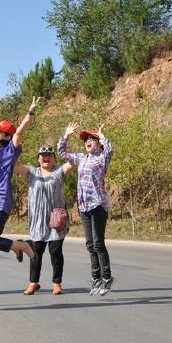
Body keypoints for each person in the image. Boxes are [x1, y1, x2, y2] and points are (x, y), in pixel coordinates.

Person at [0, 96, 40, 264]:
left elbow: (19, 131)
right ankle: (16, 246)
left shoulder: (10, 150)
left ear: (7, 136)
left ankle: (24, 246)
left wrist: (30, 112)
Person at [57, 122, 115, 296]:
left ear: (98, 143)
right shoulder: (82, 158)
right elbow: (62, 153)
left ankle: (106, 277)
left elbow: (110, 149)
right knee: (90, 244)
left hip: (98, 205)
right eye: (86, 139)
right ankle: (96, 278)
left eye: (91, 139)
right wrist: (66, 135)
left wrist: (102, 136)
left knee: (98, 243)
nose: (88, 141)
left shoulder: (102, 158)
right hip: (83, 206)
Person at [14, 145, 74, 295]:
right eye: (42, 155)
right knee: (35, 253)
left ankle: (57, 283)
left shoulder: (60, 171)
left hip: (56, 220)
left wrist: (64, 141)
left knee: (55, 252)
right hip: (38, 221)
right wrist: (12, 146)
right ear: (38, 158)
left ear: (54, 158)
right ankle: (33, 282)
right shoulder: (31, 172)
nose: (46, 157)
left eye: (49, 155)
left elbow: (74, 161)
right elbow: (13, 165)